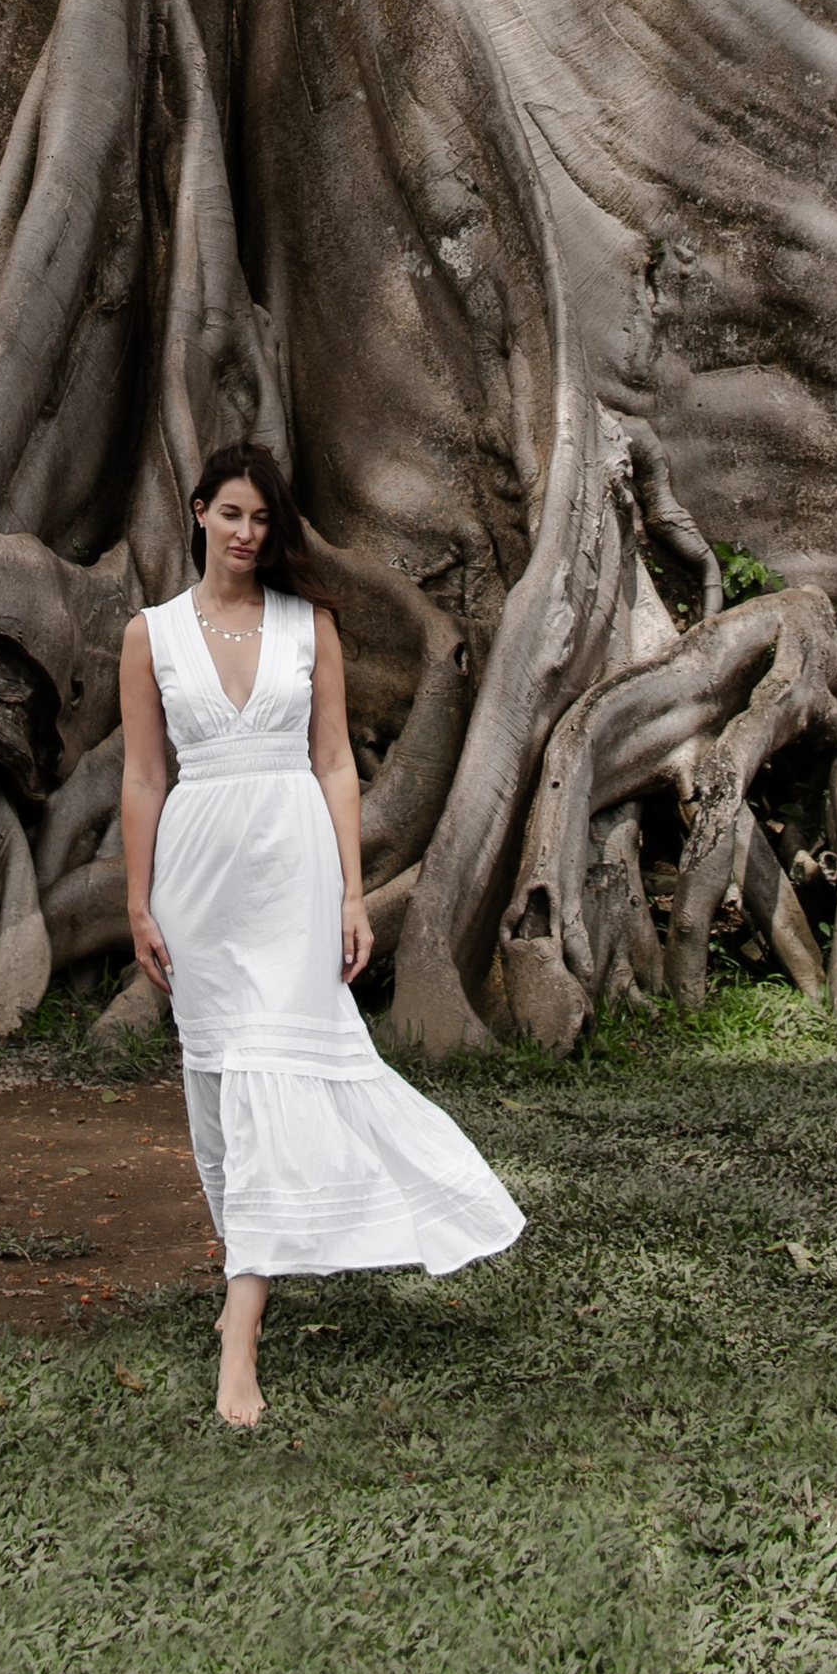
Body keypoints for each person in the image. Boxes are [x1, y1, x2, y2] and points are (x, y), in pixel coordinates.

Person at [121, 439, 523, 1427]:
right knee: (216, 1095)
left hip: (292, 873)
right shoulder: (153, 634)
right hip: (198, 879)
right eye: (230, 514)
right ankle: (242, 1282)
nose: (246, 534)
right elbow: (142, 777)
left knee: (272, 1081)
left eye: (262, 519)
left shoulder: (310, 629)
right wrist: (138, 902)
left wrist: (351, 892)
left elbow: (337, 761)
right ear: (200, 513)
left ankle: (241, 1339)